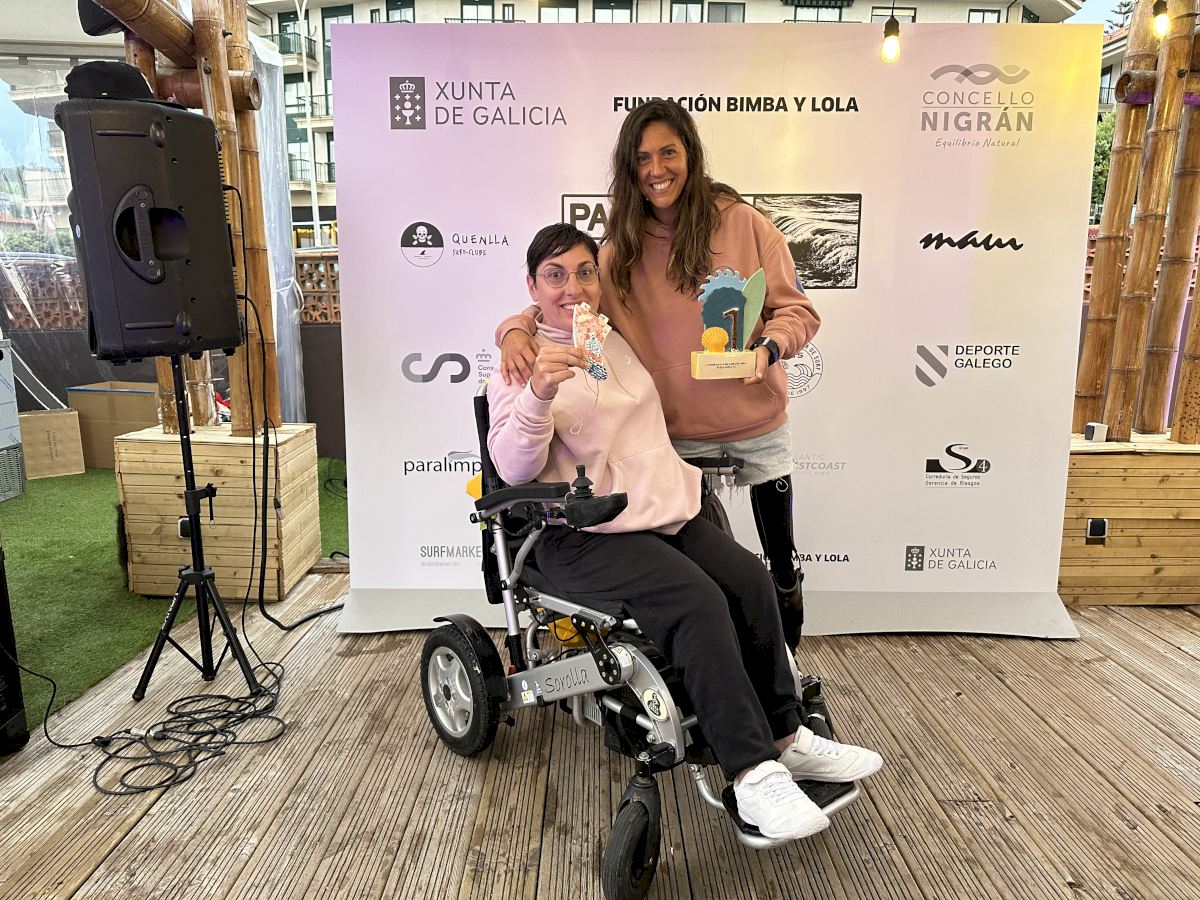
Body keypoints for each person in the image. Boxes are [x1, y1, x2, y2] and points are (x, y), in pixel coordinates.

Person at [487, 224, 881, 842]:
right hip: (576, 530)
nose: (572, 288)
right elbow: (513, 468)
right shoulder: (520, 364)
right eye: (554, 276)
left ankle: (786, 734)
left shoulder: (612, 337)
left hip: (655, 511)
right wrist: (536, 388)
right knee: (696, 601)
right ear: (532, 285)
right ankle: (750, 772)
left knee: (750, 580)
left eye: (584, 272)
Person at [496, 100, 815, 645]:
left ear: (690, 155)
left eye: (669, 153)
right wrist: (515, 329)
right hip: (674, 436)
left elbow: (796, 310)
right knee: (707, 578)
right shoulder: (619, 248)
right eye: (642, 158)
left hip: (755, 423)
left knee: (777, 569)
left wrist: (770, 345)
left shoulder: (744, 223)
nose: (657, 169)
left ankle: (784, 660)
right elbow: (568, 298)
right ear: (629, 167)